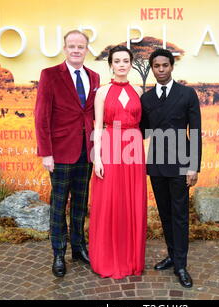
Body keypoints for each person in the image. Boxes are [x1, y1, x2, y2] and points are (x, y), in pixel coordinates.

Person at [34, 30, 100, 278]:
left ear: (86, 49)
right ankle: (58, 253)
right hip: (60, 152)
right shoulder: (50, 75)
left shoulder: (94, 76)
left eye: (80, 46)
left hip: (86, 151)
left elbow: (92, 114)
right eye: (71, 46)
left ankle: (79, 248)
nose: (76, 50)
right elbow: (41, 117)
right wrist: (46, 153)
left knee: (81, 205)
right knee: (59, 204)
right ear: (64, 49)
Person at [140, 48, 202, 288]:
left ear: (172, 67)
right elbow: (142, 131)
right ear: (152, 68)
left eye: (165, 65)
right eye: (156, 66)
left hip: (180, 164)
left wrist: (193, 166)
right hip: (156, 164)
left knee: (179, 215)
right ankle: (171, 255)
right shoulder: (146, 99)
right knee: (165, 214)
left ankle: (181, 265)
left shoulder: (187, 94)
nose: (161, 70)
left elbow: (194, 132)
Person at [89, 45, 147, 279]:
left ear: (131, 64)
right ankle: (108, 258)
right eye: (117, 61)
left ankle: (131, 258)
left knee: (131, 201)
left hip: (133, 149)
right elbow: (97, 126)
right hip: (110, 145)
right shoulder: (102, 92)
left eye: (125, 60)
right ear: (110, 65)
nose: (122, 64)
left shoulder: (139, 92)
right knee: (111, 201)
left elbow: (143, 125)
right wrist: (98, 158)